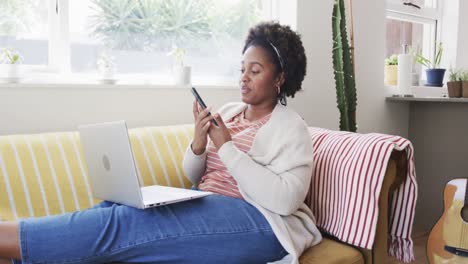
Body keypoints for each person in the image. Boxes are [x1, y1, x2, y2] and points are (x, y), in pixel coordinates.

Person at [0, 21, 322, 264]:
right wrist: (198, 145)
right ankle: (21, 249)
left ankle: (8, 237)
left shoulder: (292, 129)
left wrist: (226, 148)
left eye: (255, 70)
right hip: (208, 202)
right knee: (120, 208)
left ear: (280, 78)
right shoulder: (230, 113)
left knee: (125, 225)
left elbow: (284, 201)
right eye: (241, 69)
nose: (243, 78)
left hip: (261, 223)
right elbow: (196, 175)